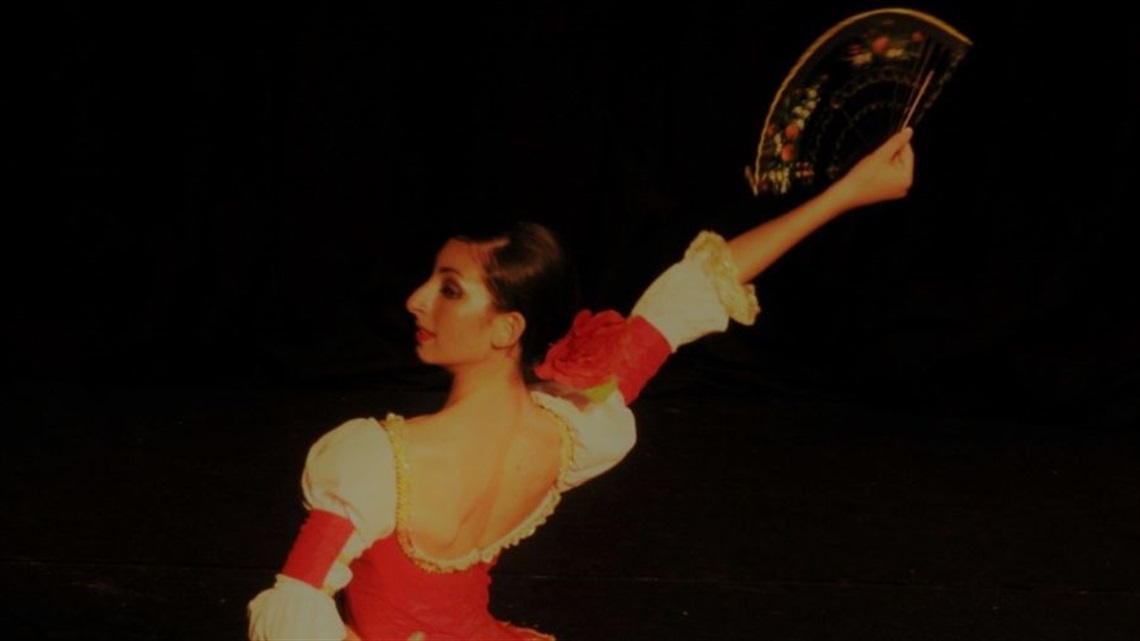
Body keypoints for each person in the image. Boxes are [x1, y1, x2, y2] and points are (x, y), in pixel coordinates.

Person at [247, 128, 916, 640]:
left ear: (508, 328)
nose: (417, 300)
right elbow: (686, 297)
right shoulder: (570, 423)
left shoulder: (376, 461)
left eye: (449, 288)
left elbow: (297, 600)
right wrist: (847, 193)